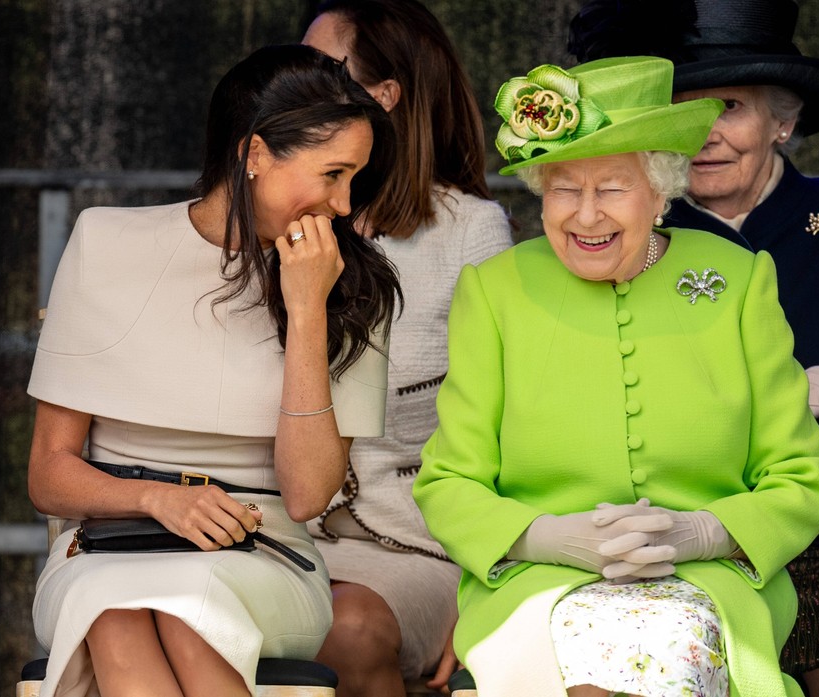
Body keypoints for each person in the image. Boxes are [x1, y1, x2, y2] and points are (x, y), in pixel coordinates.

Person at [413, 55, 819, 697]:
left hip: (709, 582)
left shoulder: (740, 281)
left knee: (666, 649)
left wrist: (706, 533)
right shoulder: (496, 292)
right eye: (563, 188)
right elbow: (449, 483)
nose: (585, 215)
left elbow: (801, 477)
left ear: (661, 192)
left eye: (611, 188)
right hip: (539, 584)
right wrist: (546, 537)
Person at [26, 44, 401, 697]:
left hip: (262, 553)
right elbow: (48, 474)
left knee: (185, 611)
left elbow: (309, 494)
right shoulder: (105, 243)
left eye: (353, 180)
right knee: (114, 612)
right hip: (109, 543)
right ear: (255, 154)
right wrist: (157, 498)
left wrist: (308, 310)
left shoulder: (354, 284)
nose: (343, 205)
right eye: (332, 173)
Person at [567, 1, 819, 694]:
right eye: (679, 111)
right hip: (664, 523)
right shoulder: (616, 234)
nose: (702, 135)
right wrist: (792, 390)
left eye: (727, 106)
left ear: (781, 120)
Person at [301, 1, 513, 694]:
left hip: (417, 544)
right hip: (278, 536)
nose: (291, 83)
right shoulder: (274, 215)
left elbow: (511, 432)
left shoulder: (471, 232)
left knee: (347, 625)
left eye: (316, 68)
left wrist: (491, 583)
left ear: (381, 96)